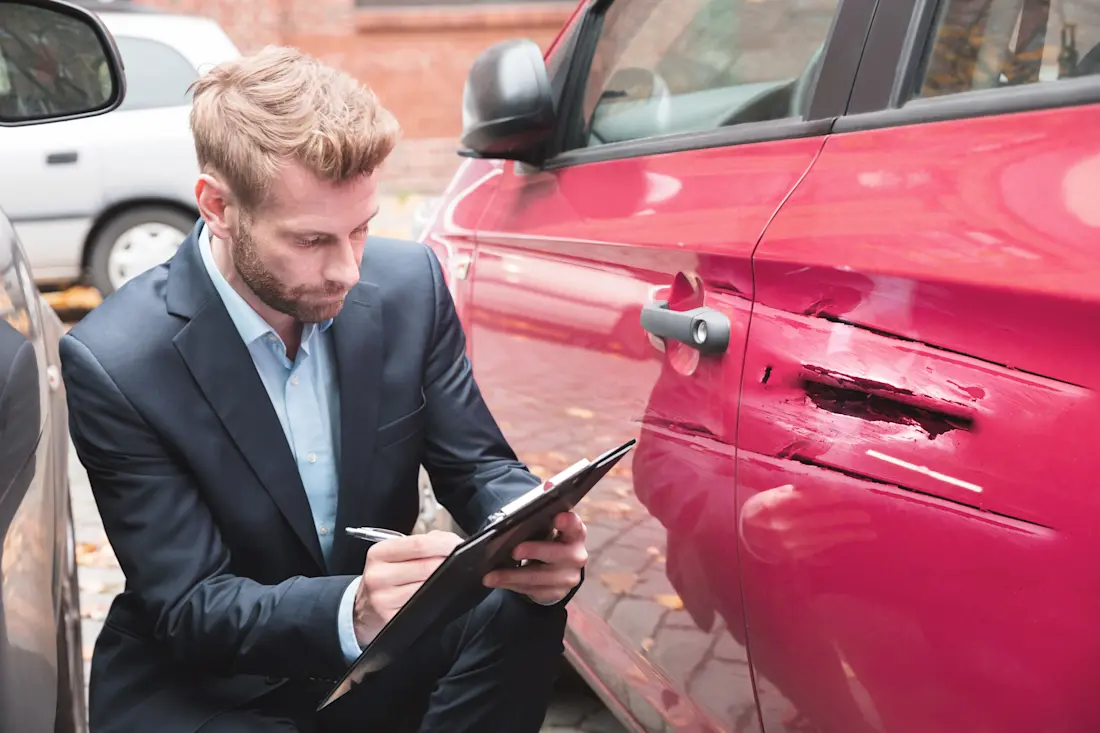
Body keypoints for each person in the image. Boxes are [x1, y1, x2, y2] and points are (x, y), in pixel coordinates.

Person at [61, 46, 588, 733]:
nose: (348, 268)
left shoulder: (408, 287)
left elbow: (478, 466)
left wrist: (531, 525)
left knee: (524, 603)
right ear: (219, 206)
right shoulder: (117, 359)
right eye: (312, 240)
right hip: (213, 684)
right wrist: (351, 609)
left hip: (381, 653)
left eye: (362, 228)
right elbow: (190, 606)